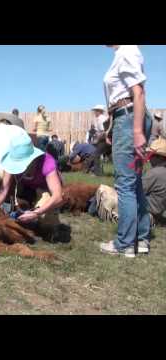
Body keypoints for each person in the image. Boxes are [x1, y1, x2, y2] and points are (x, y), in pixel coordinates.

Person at [99, 45, 152, 258]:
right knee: (134, 182)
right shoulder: (123, 53)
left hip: (129, 119)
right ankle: (141, 238)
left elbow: (138, 93)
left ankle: (125, 244)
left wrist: (137, 131)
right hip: (125, 118)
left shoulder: (126, 51)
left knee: (125, 185)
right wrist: (112, 126)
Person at [0, 132, 68, 242]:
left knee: (46, 222)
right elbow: (3, 189)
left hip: (44, 190)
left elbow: (58, 196)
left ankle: (44, 220)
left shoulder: (47, 162)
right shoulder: (11, 165)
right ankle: (20, 210)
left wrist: (36, 213)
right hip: (25, 188)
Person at [93, 137, 166, 230]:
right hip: (156, 214)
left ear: (159, 157)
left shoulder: (155, 173)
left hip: (143, 213)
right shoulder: (161, 172)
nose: (149, 158)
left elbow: (133, 190)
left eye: (151, 155)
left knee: (102, 190)